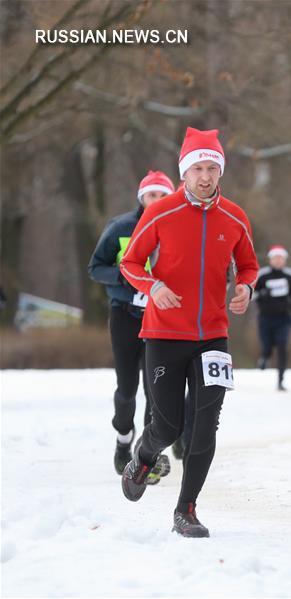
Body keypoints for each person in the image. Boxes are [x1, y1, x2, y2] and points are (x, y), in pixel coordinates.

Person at [119, 127, 259, 538]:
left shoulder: (234, 216)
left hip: (213, 334)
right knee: (168, 426)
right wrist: (153, 286)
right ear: (184, 172)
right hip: (164, 334)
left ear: (220, 172)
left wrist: (246, 287)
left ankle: (187, 509)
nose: (206, 176)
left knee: (205, 425)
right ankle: (143, 455)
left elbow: (248, 264)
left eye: (212, 168)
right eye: (198, 167)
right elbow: (131, 263)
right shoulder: (160, 212)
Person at [88, 170, 175, 482]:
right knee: (127, 389)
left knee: (156, 390)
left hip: (160, 319)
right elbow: (95, 268)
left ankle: (146, 454)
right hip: (125, 315)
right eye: (152, 195)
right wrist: (124, 277)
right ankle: (124, 438)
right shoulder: (121, 227)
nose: (157, 201)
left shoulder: (177, 226)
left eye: (163, 195)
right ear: (142, 198)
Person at [254, 245, 291, 391]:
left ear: (285, 260)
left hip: (284, 318)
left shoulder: (290, 275)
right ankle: (265, 356)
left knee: (282, 346)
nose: (278, 261)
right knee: (267, 346)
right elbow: (251, 294)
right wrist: (262, 294)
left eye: (281, 258)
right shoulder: (262, 275)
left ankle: (281, 380)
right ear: (270, 259)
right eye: (275, 258)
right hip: (265, 317)